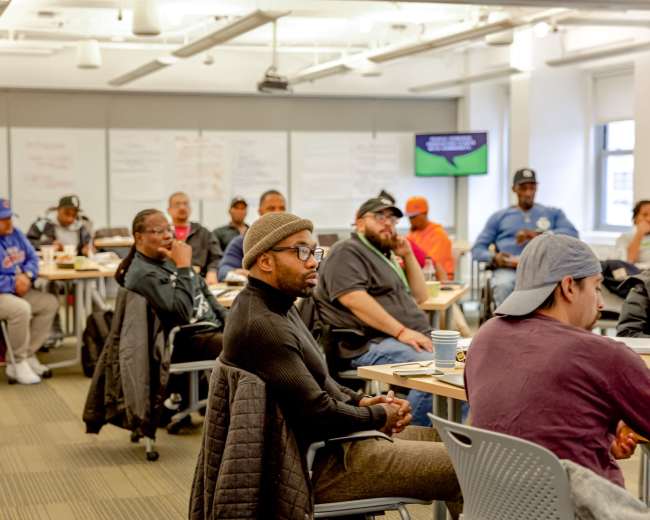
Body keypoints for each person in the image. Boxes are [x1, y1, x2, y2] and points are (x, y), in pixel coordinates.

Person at [220, 212, 463, 516]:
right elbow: (319, 412)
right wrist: (377, 416)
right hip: (318, 465)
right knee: (471, 465)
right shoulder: (262, 324)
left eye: (315, 251)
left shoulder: (279, 306)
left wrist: (362, 400)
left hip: (335, 444)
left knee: (464, 445)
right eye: (302, 252)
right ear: (266, 262)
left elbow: (322, 384)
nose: (313, 262)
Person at [465, 233, 650, 487]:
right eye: (596, 288)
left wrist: (600, 435)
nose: (600, 303)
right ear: (569, 287)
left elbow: (525, 420)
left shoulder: (484, 337)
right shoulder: (606, 355)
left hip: (496, 505)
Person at [313, 196, 436, 426]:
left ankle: (439, 442)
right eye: (380, 217)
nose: (388, 223)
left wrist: (407, 254)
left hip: (403, 339)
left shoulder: (385, 256)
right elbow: (353, 298)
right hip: (368, 343)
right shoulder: (347, 251)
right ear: (359, 223)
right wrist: (401, 332)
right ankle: (410, 443)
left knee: (468, 368)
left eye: (392, 219)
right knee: (433, 370)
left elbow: (421, 296)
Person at [115, 209, 228, 423]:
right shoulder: (143, 274)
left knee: (260, 331)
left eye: (169, 229)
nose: (168, 236)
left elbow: (203, 290)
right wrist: (184, 266)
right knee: (255, 348)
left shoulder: (165, 259)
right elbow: (182, 313)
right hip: (184, 339)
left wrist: (228, 320)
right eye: (159, 231)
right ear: (139, 237)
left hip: (206, 330)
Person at [471, 168, 579, 307]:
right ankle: (506, 326)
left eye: (532, 188)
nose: (528, 193)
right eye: (523, 188)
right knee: (503, 284)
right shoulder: (500, 217)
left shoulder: (552, 213)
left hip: (543, 269)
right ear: (514, 189)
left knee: (558, 287)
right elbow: (477, 249)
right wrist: (494, 257)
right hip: (509, 270)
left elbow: (572, 234)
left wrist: (539, 235)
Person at [0, 199, 58, 385]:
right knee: (21, 309)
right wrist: (13, 283)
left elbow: (33, 256)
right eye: (3, 219)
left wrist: (28, 275)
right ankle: (16, 362)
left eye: (10, 217)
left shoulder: (15, 233)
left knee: (49, 303)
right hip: (3, 293)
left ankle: (29, 353)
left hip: (18, 288)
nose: (9, 222)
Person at [217, 189, 286, 281]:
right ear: (260, 211)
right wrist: (237, 272)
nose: (277, 213)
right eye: (271, 208)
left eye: (282, 208)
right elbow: (224, 271)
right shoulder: (242, 241)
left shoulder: (295, 241)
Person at [167, 192, 222, 286]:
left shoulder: (203, 232)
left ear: (190, 209)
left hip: (199, 281)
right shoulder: (164, 234)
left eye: (185, 204)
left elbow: (216, 257)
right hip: (170, 281)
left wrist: (212, 272)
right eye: (177, 204)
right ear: (169, 210)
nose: (182, 207)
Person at [405, 195, 454, 280]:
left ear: (425, 213)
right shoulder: (412, 234)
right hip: (419, 278)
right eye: (409, 217)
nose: (411, 220)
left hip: (439, 281)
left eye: (413, 216)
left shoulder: (438, 235)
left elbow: (432, 265)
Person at [27, 195, 92, 256]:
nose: (70, 219)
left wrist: (86, 251)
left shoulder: (81, 228)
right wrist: (48, 245)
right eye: (67, 213)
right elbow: (27, 242)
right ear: (58, 210)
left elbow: (87, 247)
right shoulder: (42, 224)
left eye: (74, 215)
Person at [616, 199, 650, 265]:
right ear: (635, 218)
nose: (649, 219)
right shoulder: (625, 237)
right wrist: (639, 234)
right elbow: (628, 262)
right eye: (645, 214)